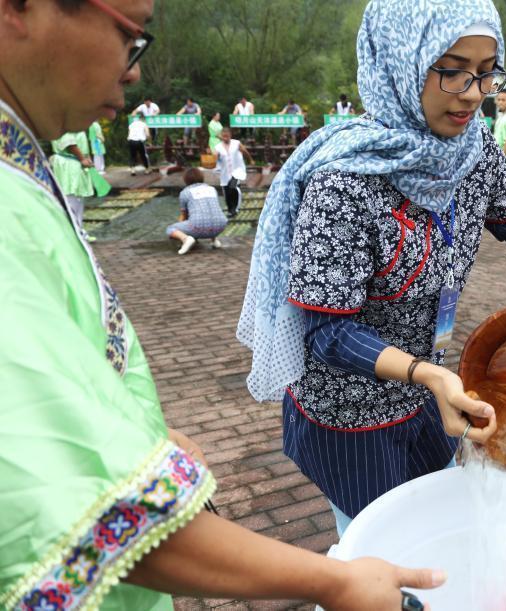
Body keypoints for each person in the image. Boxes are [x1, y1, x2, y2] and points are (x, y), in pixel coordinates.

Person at [0, 0, 444, 609]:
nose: (133, 70)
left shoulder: (21, 168)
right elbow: (65, 502)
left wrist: (138, 431)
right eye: (129, 34)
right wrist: (333, 581)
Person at [238, 0, 506, 539]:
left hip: (430, 391)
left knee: (440, 532)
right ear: (400, 61)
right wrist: (428, 373)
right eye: (452, 70)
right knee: (381, 550)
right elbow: (328, 331)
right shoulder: (346, 182)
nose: (472, 94)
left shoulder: (474, 147)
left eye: (485, 73)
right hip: (351, 413)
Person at [167, 168, 227, 254]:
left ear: (186, 179)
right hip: (221, 226)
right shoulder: (212, 189)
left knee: (171, 228)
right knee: (211, 213)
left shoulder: (185, 192)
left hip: (198, 228)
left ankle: (186, 239)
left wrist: (180, 230)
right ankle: (214, 241)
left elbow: (184, 216)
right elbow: (214, 210)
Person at [50, 130, 94, 226]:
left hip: (73, 162)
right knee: (72, 195)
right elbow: (70, 144)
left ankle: (79, 227)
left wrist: (86, 157)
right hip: (68, 163)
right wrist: (82, 159)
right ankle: (75, 227)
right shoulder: (65, 125)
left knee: (77, 195)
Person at [215, 127, 254, 216]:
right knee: (227, 192)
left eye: (227, 135)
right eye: (224, 136)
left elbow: (245, 151)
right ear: (222, 136)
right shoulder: (218, 147)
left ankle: (234, 209)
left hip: (237, 171)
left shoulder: (236, 143)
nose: (226, 137)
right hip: (225, 173)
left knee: (233, 189)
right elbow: (216, 159)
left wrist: (250, 159)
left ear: (230, 135)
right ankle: (230, 209)